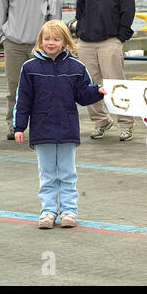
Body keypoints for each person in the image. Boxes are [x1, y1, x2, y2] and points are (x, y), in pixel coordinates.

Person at [13, 20, 107, 229]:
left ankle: (68, 211)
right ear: (40, 41)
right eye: (47, 39)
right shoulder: (29, 68)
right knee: (46, 174)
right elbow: (23, 100)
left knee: (67, 173)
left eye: (56, 39)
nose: (51, 43)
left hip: (67, 130)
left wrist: (97, 91)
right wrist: (19, 127)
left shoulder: (76, 67)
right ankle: (47, 211)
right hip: (41, 130)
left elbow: (82, 94)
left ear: (65, 41)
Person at [0, 0, 62, 140]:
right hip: (14, 44)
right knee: (14, 86)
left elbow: (54, 13)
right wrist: (3, 36)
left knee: (45, 87)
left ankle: (45, 124)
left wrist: (51, 39)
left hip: (39, 45)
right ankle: (14, 125)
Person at [75, 0, 136, 141]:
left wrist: (121, 37)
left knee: (116, 84)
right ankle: (100, 121)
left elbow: (128, 9)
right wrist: (80, 31)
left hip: (110, 40)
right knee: (89, 84)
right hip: (85, 41)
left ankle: (126, 124)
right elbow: (80, 9)